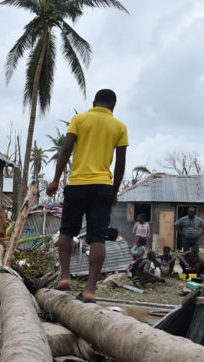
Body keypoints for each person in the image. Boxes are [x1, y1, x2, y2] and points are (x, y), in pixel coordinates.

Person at [46, 89, 128, 303]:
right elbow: (120, 164)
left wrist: (55, 180)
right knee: (97, 238)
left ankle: (65, 278)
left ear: (94, 102)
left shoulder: (79, 119)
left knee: (66, 231)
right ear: (113, 105)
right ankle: (90, 289)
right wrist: (114, 190)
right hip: (103, 186)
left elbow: (65, 150)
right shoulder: (119, 126)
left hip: (77, 185)